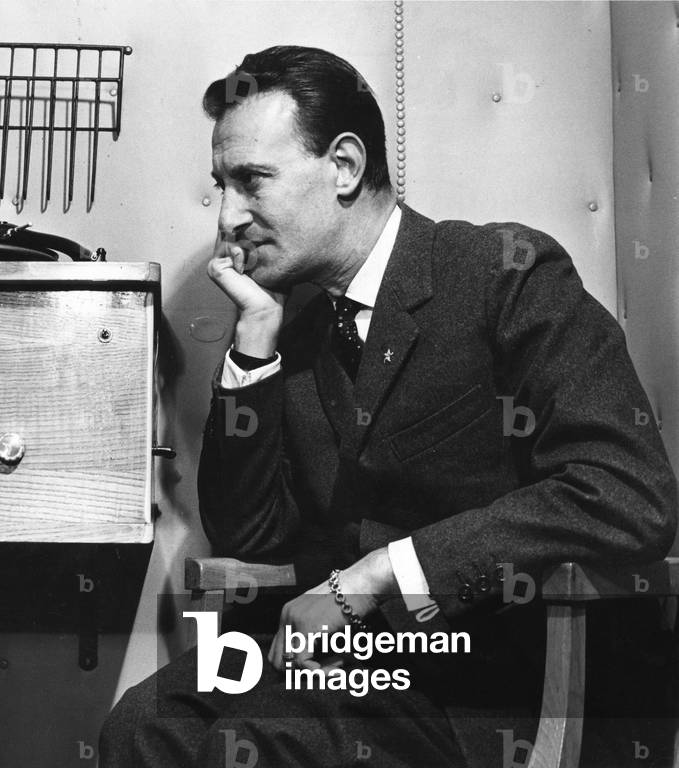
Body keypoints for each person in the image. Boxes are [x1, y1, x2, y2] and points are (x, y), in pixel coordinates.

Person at [100, 45, 677, 768]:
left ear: (344, 165)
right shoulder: (299, 329)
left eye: (250, 182)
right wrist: (252, 344)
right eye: (220, 186)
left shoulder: (503, 275)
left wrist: (374, 578)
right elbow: (253, 538)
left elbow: (627, 494)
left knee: (251, 746)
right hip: (346, 671)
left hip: (488, 679)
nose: (227, 218)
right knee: (144, 726)